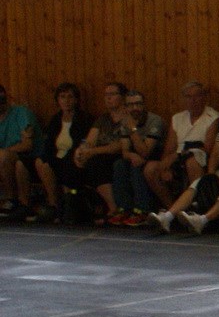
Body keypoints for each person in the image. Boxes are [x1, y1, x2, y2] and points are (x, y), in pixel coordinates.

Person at [150, 82, 219, 233]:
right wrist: (211, 173)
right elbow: (216, 152)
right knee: (198, 183)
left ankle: (202, 220)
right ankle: (168, 216)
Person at [147, 81, 219, 210]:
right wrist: (165, 168)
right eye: (188, 96)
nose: (193, 100)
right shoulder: (177, 118)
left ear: (204, 97)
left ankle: (198, 208)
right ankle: (172, 209)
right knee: (150, 168)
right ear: (183, 99)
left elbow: (208, 148)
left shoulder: (213, 117)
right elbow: (169, 149)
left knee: (192, 161)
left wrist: (180, 155)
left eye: (197, 96)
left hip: (199, 157)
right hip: (176, 158)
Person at [30, 83, 95, 223]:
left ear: (76, 100)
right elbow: (49, 144)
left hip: (74, 158)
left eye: (70, 97)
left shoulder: (84, 119)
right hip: (56, 157)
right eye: (63, 97)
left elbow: (82, 143)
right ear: (58, 100)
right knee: (40, 162)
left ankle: (66, 206)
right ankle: (53, 204)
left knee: (62, 166)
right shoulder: (55, 119)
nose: (66, 100)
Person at [73, 82, 130, 222]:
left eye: (112, 94)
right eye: (106, 95)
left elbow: (119, 146)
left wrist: (93, 152)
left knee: (97, 163)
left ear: (123, 97)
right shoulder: (103, 119)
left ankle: (113, 207)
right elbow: (90, 140)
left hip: (120, 154)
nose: (108, 98)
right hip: (99, 154)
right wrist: (81, 151)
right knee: (77, 163)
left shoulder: (128, 117)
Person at [108, 90, 167, 224]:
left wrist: (133, 130)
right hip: (136, 156)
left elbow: (146, 152)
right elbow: (125, 151)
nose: (135, 108)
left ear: (144, 105)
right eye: (131, 105)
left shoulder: (154, 121)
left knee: (138, 167)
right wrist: (131, 155)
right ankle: (124, 208)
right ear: (126, 107)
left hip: (155, 156)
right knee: (119, 164)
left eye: (138, 104)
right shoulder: (126, 121)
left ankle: (143, 210)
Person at [0, 84, 40, 218]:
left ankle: (11, 199)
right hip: (7, 158)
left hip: (30, 155)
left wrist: (5, 152)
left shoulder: (21, 113)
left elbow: (27, 145)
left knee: (5, 157)